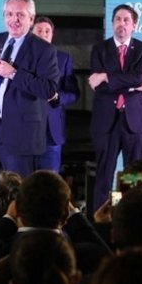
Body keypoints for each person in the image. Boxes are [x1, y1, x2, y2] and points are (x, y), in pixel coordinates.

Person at [0, 0, 59, 207]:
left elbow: (49, 88)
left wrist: (14, 73)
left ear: (31, 19)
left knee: (21, 191)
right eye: (9, 14)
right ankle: (0, 227)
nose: (14, 19)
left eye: (20, 15)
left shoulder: (44, 49)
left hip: (20, 131)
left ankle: (18, 234)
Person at [88, 4, 142, 212]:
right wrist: (135, 86)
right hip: (106, 120)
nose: (122, 23)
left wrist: (108, 76)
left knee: (134, 177)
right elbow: (97, 85)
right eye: (118, 19)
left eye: (126, 20)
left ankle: (131, 218)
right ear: (112, 23)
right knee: (104, 176)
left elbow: (141, 76)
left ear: (134, 25)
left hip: (136, 121)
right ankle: (102, 222)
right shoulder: (100, 49)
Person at [32, 16, 80, 172]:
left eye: (47, 31)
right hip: (25, 129)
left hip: (51, 130)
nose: (44, 34)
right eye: (39, 30)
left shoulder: (63, 58)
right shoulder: (20, 56)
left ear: (52, 34)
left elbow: (73, 93)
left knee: (50, 181)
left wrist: (57, 97)